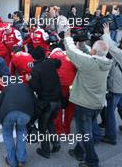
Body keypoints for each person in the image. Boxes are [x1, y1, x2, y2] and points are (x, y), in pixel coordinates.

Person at [64, 28, 112, 167]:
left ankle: (92, 161)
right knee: (85, 130)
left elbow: (73, 53)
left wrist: (68, 38)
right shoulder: (105, 62)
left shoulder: (89, 63)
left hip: (84, 104)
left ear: (94, 51)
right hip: (97, 104)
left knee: (85, 134)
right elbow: (89, 55)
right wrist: (83, 44)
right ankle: (79, 152)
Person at [29, 46, 62, 158]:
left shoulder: (35, 69)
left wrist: (30, 80)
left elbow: (36, 88)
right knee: (51, 122)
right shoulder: (50, 63)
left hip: (46, 103)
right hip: (57, 100)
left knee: (43, 127)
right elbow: (58, 62)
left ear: (34, 58)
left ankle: (46, 150)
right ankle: (56, 143)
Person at [0, 76, 35, 167]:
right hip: (25, 113)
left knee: (7, 133)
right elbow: (34, 102)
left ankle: (12, 161)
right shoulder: (27, 88)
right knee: (22, 131)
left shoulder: (7, 88)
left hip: (8, 113)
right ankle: (21, 159)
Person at [101, 23, 122, 145]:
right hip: (120, 86)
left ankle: (111, 136)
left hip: (117, 86)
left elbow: (111, 46)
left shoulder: (120, 54)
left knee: (110, 112)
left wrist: (106, 33)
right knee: (121, 106)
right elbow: (115, 46)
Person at [49, 47, 76, 135]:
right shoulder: (70, 55)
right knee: (70, 107)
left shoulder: (52, 56)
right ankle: (67, 129)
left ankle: (59, 130)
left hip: (60, 84)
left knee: (58, 106)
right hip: (72, 84)